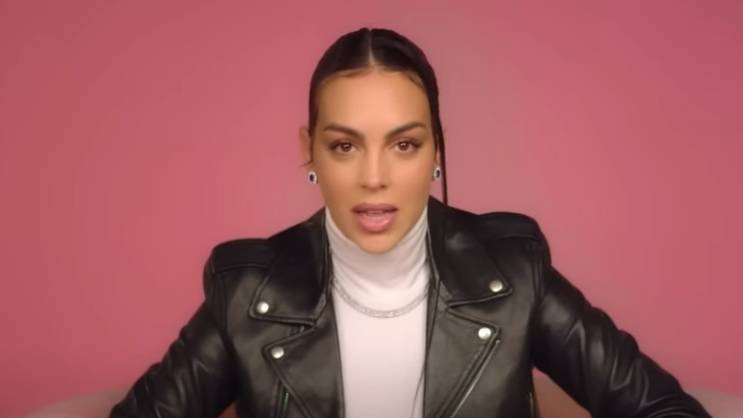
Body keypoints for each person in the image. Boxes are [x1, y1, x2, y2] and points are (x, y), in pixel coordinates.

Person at [109, 27, 710, 418]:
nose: (374, 177)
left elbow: (665, 410)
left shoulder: (513, 272)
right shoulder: (246, 292)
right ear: (309, 151)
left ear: (437, 152)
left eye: (404, 145)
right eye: (344, 146)